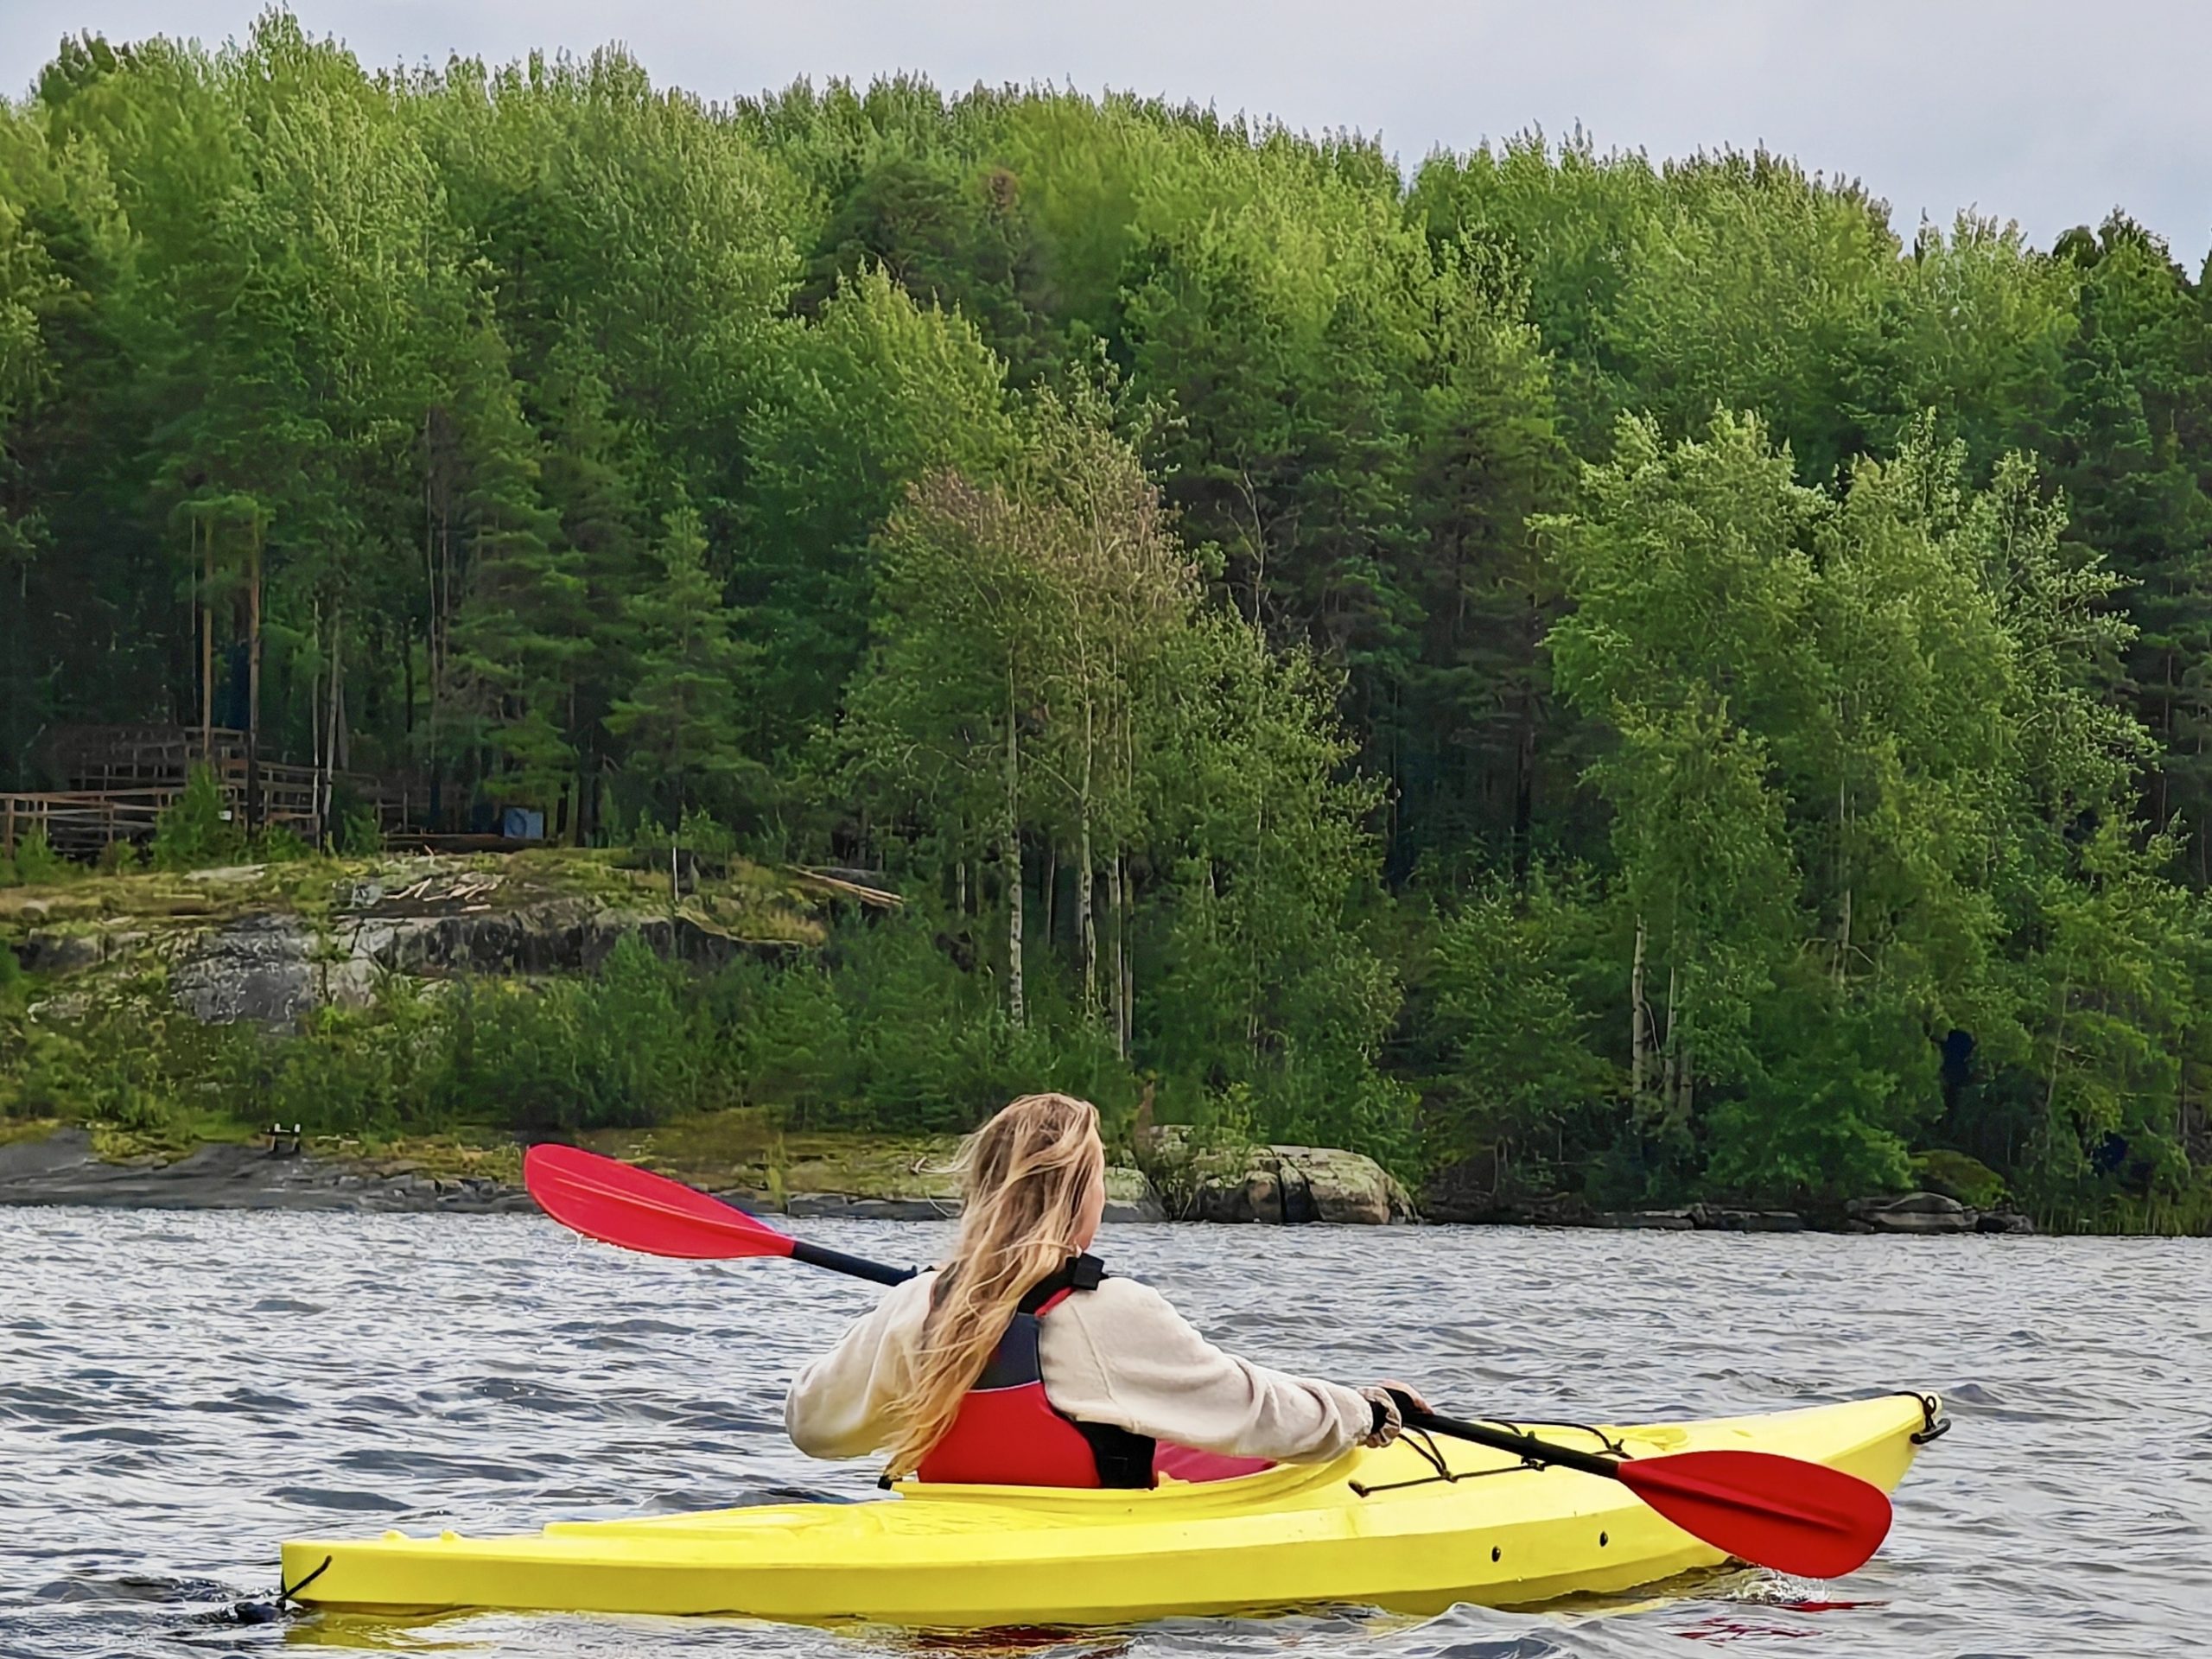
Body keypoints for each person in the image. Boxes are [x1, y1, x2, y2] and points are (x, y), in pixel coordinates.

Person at [785, 1091, 1427, 1488]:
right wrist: (1364, 1411)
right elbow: (1256, 1410)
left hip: (955, 1555)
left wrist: (901, 1314)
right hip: (1084, 1603)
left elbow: (812, 1427)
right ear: (1083, 1198)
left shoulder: (918, 1304)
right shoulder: (1112, 1311)